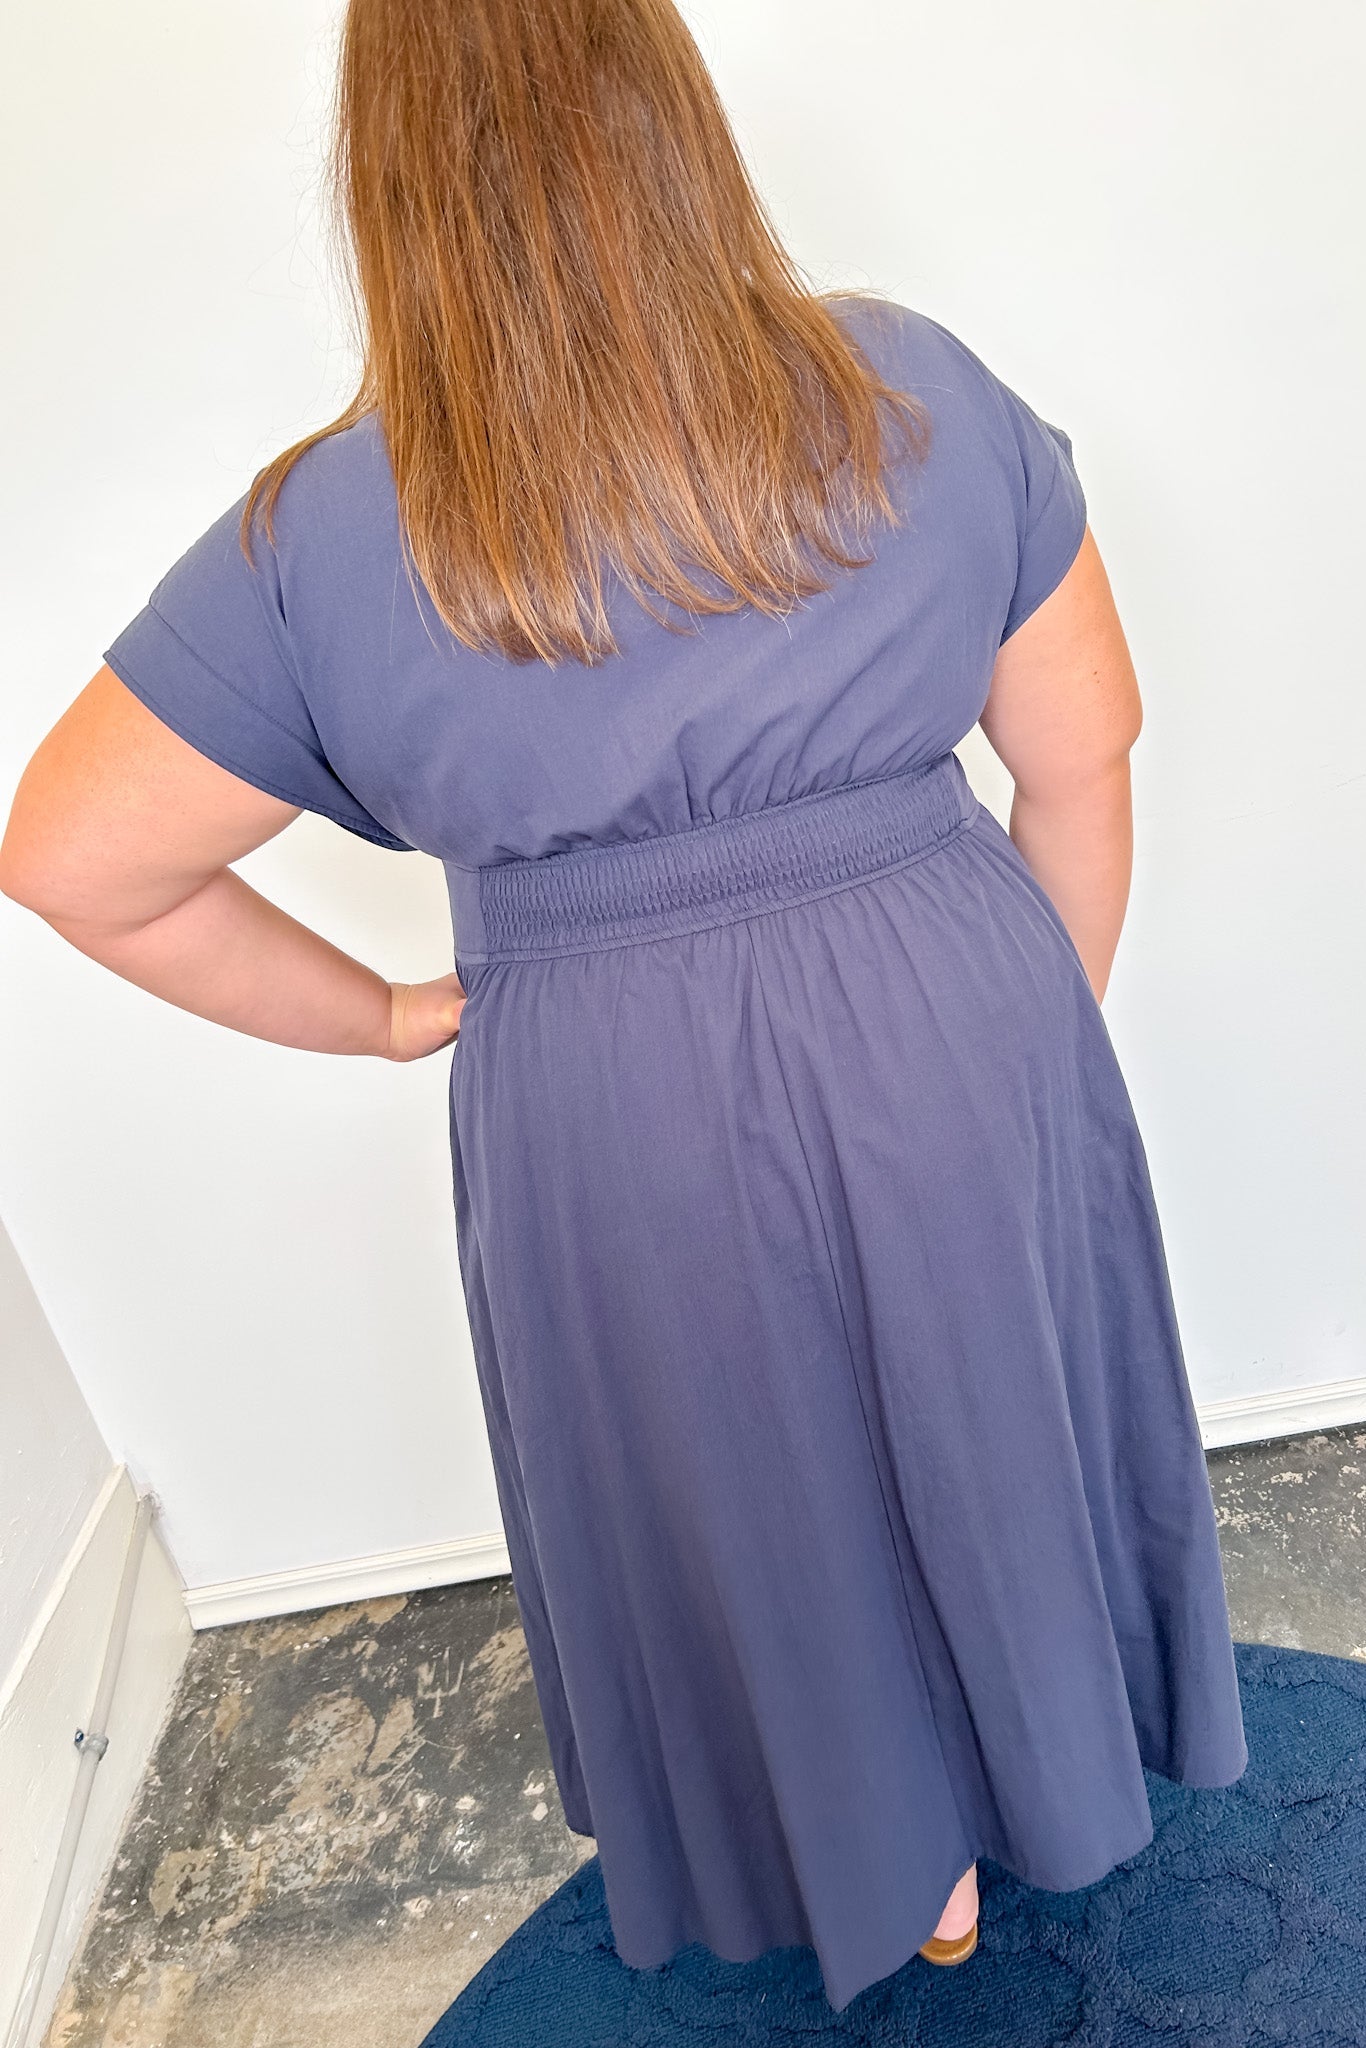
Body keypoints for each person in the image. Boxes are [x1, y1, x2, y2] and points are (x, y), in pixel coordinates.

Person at [0, 0, 1248, 2015]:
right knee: (985, 1415)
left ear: (392, 187)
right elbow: (1082, 756)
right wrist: (1025, 1038)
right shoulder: (913, 389)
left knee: (741, 1488)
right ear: (673, 116)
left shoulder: (323, 532)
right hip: (953, 1006)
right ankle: (1043, 1772)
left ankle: (889, 1866)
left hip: (602, 1089)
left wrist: (385, 1014)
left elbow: (71, 858)